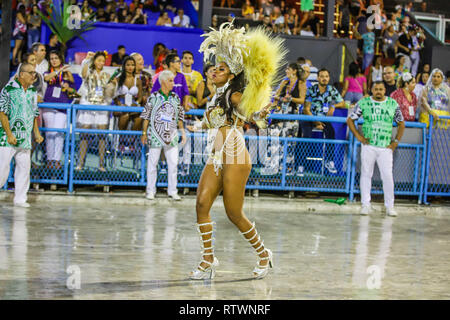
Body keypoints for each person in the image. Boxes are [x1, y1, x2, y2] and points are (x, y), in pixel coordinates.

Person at [187, 22, 285, 280]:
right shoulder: (217, 95)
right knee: (201, 204)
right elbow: (213, 122)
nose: (213, 71)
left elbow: (246, 111)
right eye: (213, 68)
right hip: (216, 155)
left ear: (231, 74)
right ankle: (208, 259)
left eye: (220, 69)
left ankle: (264, 253)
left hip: (236, 155)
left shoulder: (233, 94)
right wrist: (199, 124)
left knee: (233, 212)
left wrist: (258, 112)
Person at [346, 81, 405, 217]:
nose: (378, 91)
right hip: (368, 145)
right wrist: (358, 137)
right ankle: (365, 205)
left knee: (387, 176)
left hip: (385, 147)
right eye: (376, 89)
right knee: (366, 174)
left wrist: (396, 141)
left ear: (385, 90)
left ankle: (390, 206)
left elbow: (401, 123)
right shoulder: (364, 103)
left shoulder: (392, 104)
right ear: (372, 90)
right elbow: (350, 120)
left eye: (381, 89)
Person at [0, 63, 44, 207]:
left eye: (35, 73)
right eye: (31, 73)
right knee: (2, 170)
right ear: (21, 74)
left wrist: (36, 133)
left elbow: (33, 114)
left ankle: (20, 199)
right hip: (7, 138)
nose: (34, 76)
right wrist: (9, 134)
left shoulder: (32, 91)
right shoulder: (9, 89)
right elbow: (2, 112)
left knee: (24, 169)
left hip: (24, 138)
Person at [140, 70, 186, 201]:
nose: (173, 83)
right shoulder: (153, 97)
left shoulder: (176, 98)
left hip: (171, 135)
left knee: (173, 164)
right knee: (152, 163)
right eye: (171, 81)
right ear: (164, 82)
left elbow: (180, 117)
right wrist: (144, 133)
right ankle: (150, 191)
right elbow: (146, 117)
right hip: (155, 134)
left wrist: (182, 131)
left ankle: (173, 191)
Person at [302, 68, 346, 175]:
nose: (324, 78)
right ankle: (301, 165)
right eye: (321, 76)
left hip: (325, 119)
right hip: (311, 118)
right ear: (317, 78)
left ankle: (329, 161)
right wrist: (315, 122)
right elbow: (306, 109)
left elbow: (343, 103)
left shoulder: (332, 90)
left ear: (329, 78)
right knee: (304, 137)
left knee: (331, 133)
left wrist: (333, 106)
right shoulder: (311, 90)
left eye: (326, 76)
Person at [267, 63, 306, 176]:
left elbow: (302, 100)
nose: (286, 71)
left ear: (294, 71)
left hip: (292, 116)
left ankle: (287, 170)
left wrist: (291, 98)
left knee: (288, 144)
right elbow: (275, 96)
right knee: (274, 139)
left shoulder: (301, 83)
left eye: (288, 69)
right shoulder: (285, 82)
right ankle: (273, 167)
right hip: (279, 114)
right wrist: (281, 89)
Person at [76, 51, 112, 172]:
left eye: (103, 61)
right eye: (98, 60)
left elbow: (109, 92)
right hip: (87, 104)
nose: (101, 63)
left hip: (101, 107)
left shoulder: (106, 75)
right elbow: (83, 73)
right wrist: (87, 60)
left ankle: (101, 165)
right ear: (94, 61)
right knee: (84, 133)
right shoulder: (88, 71)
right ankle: (80, 163)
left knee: (102, 135)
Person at [42, 50, 75, 172]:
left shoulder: (67, 74)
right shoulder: (48, 72)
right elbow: (46, 78)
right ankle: (50, 160)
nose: (54, 60)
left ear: (60, 59)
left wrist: (68, 88)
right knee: (50, 134)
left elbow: (73, 92)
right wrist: (59, 71)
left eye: (56, 58)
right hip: (49, 106)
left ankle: (57, 160)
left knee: (59, 133)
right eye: (51, 58)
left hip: (62, 107)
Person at [112, 56, 143, 139]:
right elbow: (114, 96)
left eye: (132, 65)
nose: (130, 67)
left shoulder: (138, 81)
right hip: (121, 104)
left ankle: (131, 142)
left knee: (139, 119)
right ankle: (122, 141)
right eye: (128, 65)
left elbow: (140, 97)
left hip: (132, 104)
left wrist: (136, 103)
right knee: (125, 116)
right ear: (124, 66)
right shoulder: (118, 79)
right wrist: (119, 104)